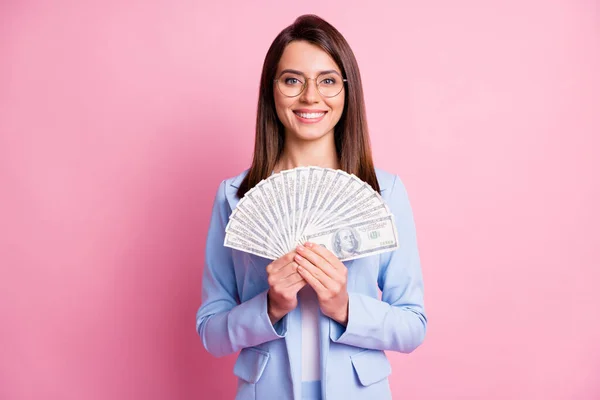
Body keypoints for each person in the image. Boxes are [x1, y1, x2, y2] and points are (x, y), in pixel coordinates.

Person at [196, 14, 427, 400]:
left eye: (328, 81)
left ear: (346, 91)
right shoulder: (234, 195)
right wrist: (269, 307)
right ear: (272, 90)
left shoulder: (385, 192)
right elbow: (211, 332)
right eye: (292, 80)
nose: (310, 97)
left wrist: (345, 307)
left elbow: (412, 325)